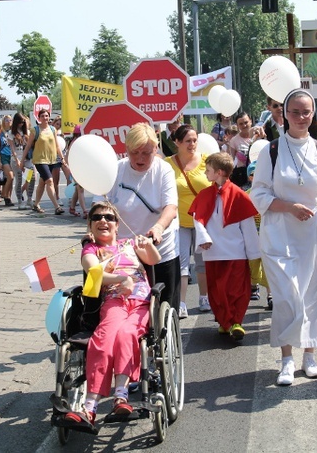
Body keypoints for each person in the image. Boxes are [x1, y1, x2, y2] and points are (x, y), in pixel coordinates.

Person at [249, 88, 317, 386]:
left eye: (306, 112)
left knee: (314, 295)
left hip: (314, 236)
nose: (301, 117)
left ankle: (310, 356)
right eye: (295, 112)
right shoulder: (271, 150)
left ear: (313, 114)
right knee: (288, 297)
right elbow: (259, 193)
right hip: (280, 235)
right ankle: (287, 359)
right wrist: (289, 207)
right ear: (284, 115)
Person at [65, 202, 161, 428]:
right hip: (114, 299)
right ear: (90, 225)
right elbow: (93, 272)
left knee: (128, 333)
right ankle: (90, 407)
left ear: (117, 225)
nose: (103, 221)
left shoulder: (129, 243)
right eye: (97, 217)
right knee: (105, 337)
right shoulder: (91, 251)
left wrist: (147, 244)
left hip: (141, 302)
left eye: (109, 217)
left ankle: (121, 396)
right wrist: (121, 279)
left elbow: (153, 259)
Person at [98, 122, 180, 311]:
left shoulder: (163, 170)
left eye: (146, 153)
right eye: (135, 152)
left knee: (164, 308)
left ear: (156, 149)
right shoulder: (116, 170)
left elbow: (171, 207)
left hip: (158, 251)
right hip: (123, 255)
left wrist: (158, 228)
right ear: (126, 149)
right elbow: (100, 206)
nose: (140, 158)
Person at [191, 152, 261, 340]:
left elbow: (248, 226)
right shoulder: (205, 195)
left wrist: (254, 253)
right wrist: (203, 237)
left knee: (237, 288)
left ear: (219, 172)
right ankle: (224, 321)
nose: (205, 174)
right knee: (216, 289)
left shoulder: (239, 195)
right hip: (213, 252)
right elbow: (198, 219)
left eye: (208, 170)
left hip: (236, 252)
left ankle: (235, 321)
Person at [164, 124, 211, 318]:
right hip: (179, 222)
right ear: (177, 142)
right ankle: (181, 302)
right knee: (182, 264)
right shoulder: (167, 164)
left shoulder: (207, 161)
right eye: (188, 141)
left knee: (202, 263)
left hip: (203, 222)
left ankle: (204, 297)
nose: (192, 144)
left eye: (194, 140)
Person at [21, 109, 65, 215]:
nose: (45, 118)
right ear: (39, 118)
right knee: (49, 181)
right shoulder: (35, 130)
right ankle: (57, 206)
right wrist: (22, 160)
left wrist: (62, 158)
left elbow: (56, 145)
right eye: (42, 116)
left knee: (42, 182)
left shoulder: (53, 129)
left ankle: (36, 204)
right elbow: (28, 146)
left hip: (51, 159)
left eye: (46, 116)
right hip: (40, 160)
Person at [246, 161, 272, 310]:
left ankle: (271, 295)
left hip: (268, 236)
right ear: (250, 178)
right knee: (253, 265)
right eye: (253, 174)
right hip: (253, 237)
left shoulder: (271, 193)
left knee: (269, 266)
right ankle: (253, 285)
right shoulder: (246, 195)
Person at [228, 111, 260, 188]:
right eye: (241, 124)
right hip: (243, 177)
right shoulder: (234, 141)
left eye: (246, 122)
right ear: (237, 126)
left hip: (259, 174)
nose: (244, 125)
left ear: (251, 122)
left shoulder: (258, 136)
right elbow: (230, 160)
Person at [67, 125, 88, 219]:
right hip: (76, 168)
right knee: (80, 189)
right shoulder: (76, 142)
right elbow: (69, 156)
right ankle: (85, 211)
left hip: (80, 168)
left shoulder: (75, 141)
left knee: (77, 189)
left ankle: (72, 208)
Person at [0, 115, 15, 207]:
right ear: (3, 122)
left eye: (10, 120)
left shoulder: (13, 133)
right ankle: (4, 194)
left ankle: (8, 197)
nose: (8, 122)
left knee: (11, 179)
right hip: (3, 156)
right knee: (10, 176)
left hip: (12, 156)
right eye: (6, 120)